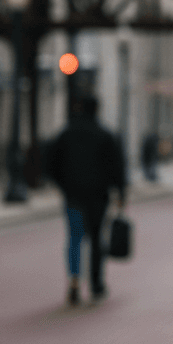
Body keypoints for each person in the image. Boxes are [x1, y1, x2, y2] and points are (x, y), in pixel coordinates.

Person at [44, 96, 127, 305]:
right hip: (98, 196)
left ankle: (74, 281)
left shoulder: (66, 134)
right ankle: (96, 283)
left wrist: (62, 186)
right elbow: (117, 167)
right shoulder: (105, 135)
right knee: (97, 239)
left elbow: (51, 162)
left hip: (73, 195)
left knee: (74, 238)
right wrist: (120, 193)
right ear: (97, 109)